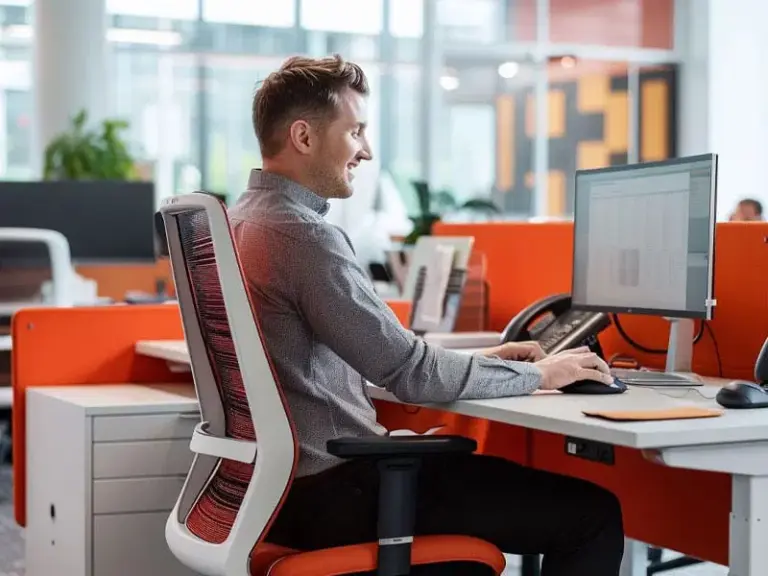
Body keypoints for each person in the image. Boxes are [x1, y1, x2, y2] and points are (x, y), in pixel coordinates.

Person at [229, 55, 624, 576]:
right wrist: (541, 374)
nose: (366, 150)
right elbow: (409, 373)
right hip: (339, 492)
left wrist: (492, 360)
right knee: (594, 516)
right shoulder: (302, 236)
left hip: (276, 493)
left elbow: (376, 357)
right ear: (303, 137)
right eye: (355, 131)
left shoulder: (240, 221)